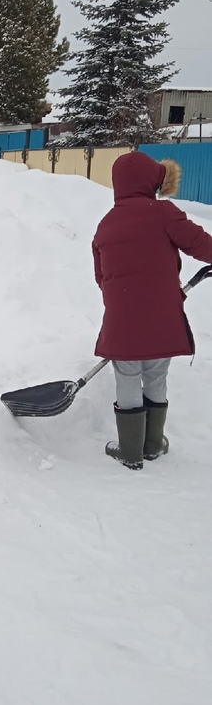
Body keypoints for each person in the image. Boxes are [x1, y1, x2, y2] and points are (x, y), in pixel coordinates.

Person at [92, 151, 212, 470]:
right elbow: (201, 245)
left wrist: (124, 301)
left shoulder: (105, 225)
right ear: (150, 182)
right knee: (156, 374)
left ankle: (130, 451)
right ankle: (154, 444)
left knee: (128, 377)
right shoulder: (163, 213)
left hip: (121, 320)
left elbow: (101, 278)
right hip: (162, 317)